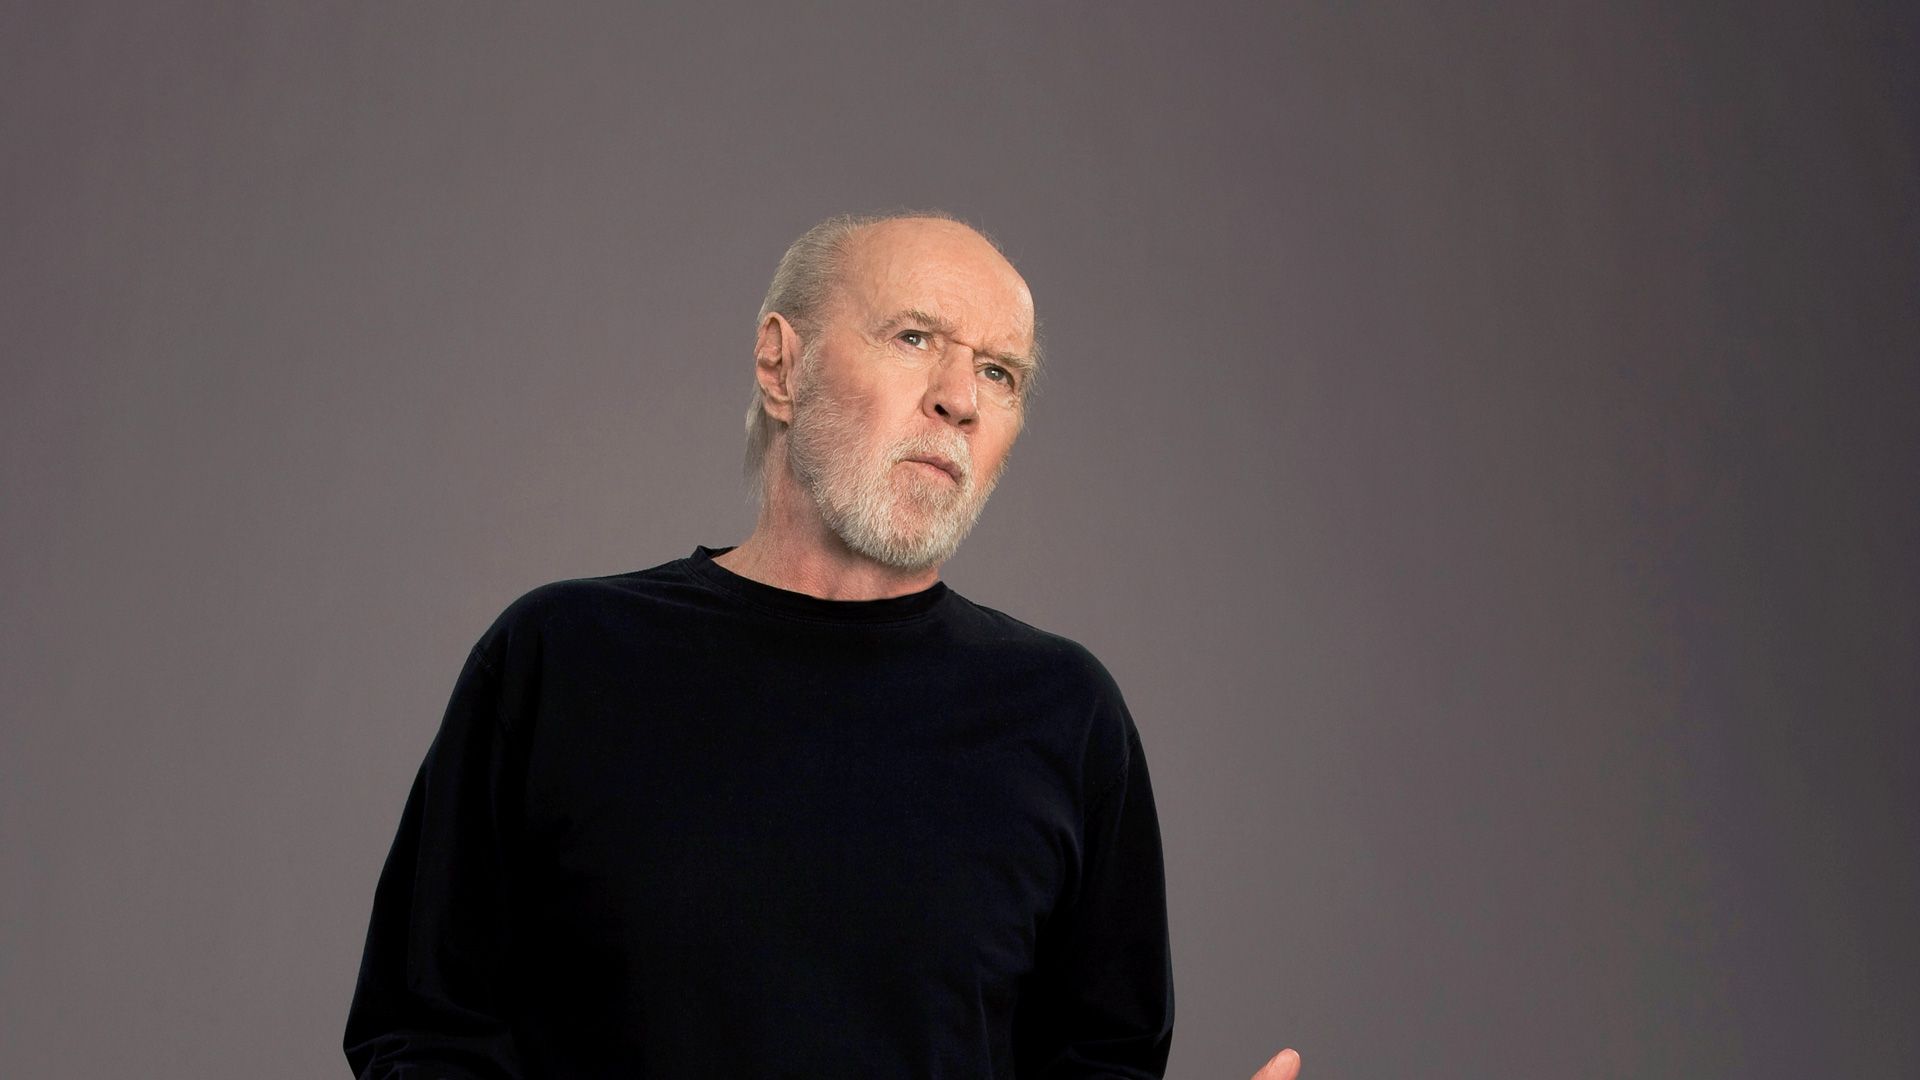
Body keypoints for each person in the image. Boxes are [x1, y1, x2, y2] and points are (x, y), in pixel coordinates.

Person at [343, 211, 1302, 1079]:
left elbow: (1103, 1062)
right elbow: (426, 1033)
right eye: (915, 338)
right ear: (781, 366)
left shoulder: (1067, 714)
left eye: (999, 373)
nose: (959, 399)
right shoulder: (560, 658)